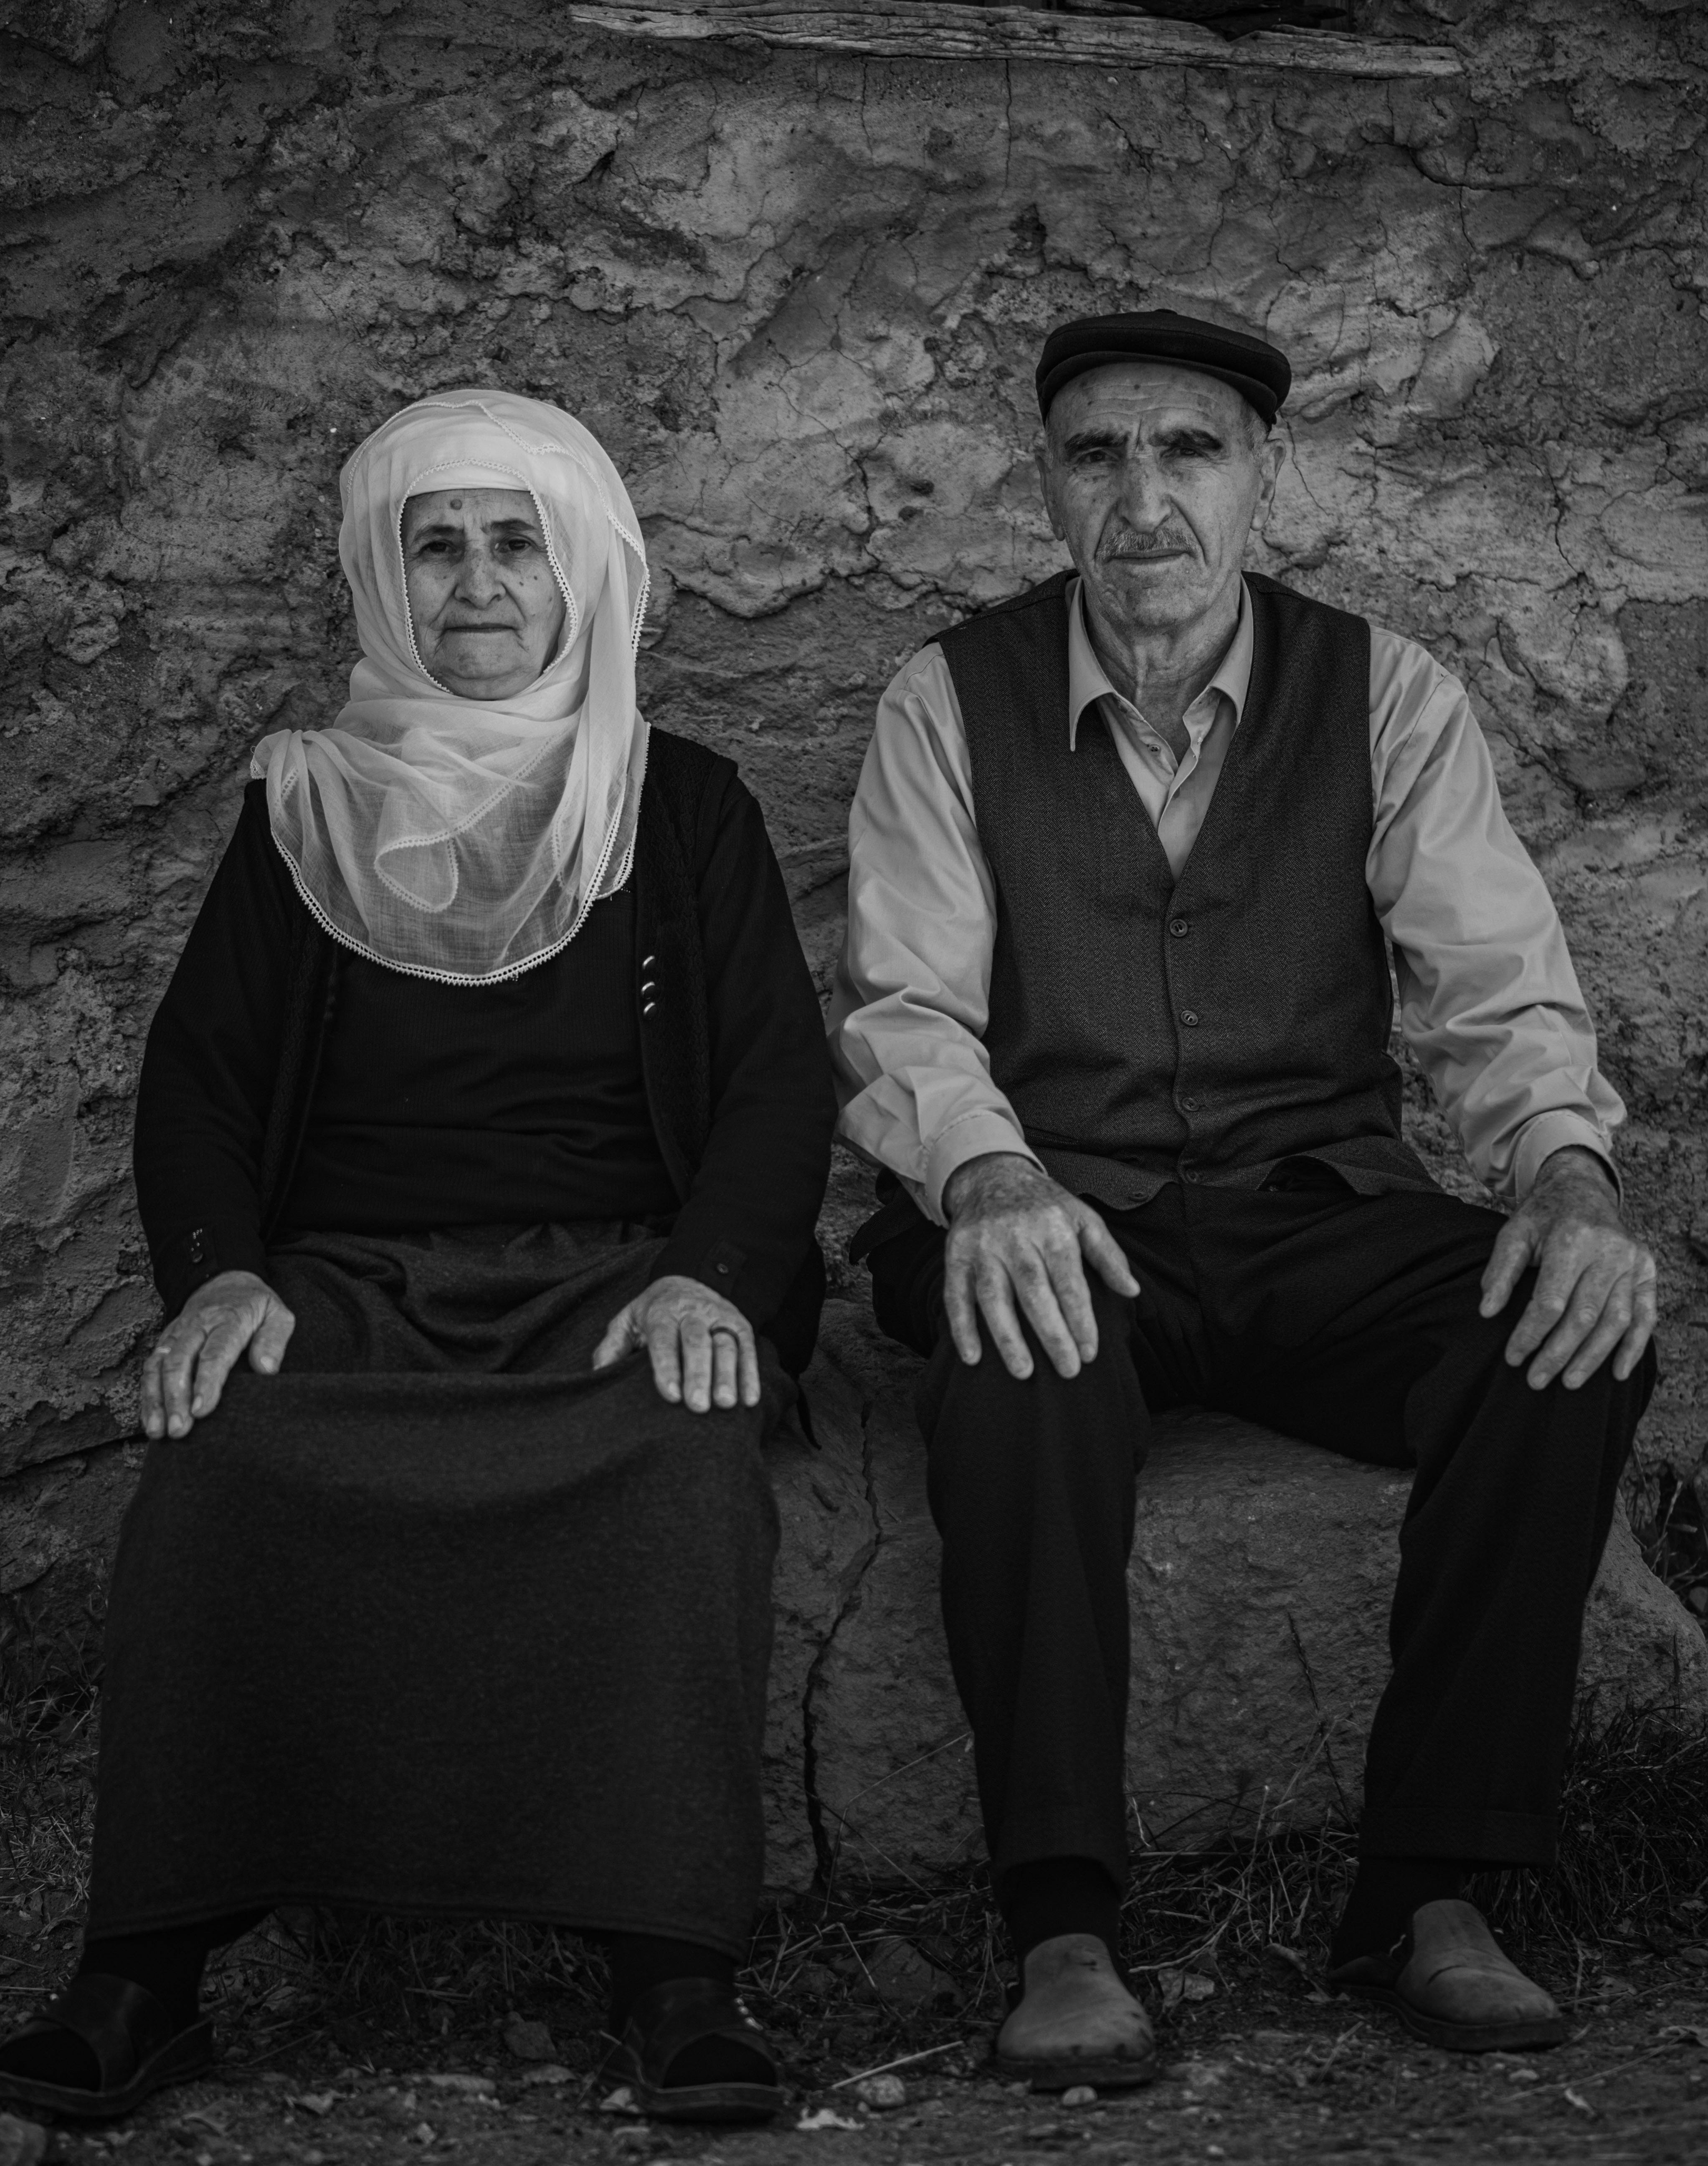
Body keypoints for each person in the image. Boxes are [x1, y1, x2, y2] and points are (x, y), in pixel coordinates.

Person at [829, 311, 1657, 2086]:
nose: (1144, 499)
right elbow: (909, 1004)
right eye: (1097, 455)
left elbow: (1497, 992)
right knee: (1017, 1358)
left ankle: (1431, 1890)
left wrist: (1568, 1175)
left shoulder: (1388, 694)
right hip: (1053, 1205)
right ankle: (1061, 1927)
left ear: (1265, 476)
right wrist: (984, 1173)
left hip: (1309, 1210)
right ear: (1043, 486)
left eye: (1189, 452)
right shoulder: (944, 702)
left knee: (1566, 1339)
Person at [0, 390, 835, 2127]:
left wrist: (712, 1276)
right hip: (351, 1278)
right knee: (219, 1461)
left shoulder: (677, 805)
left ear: (585, 572)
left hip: (616, 1281)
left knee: (682, 1465)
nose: (475, 582)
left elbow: (772, 1080)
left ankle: (671, 1971)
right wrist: (223, 1273)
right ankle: (143, 1974)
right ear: (387, 580)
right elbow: (202, 1084)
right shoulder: (305, 803)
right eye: (433, 544)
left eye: (515, 541)